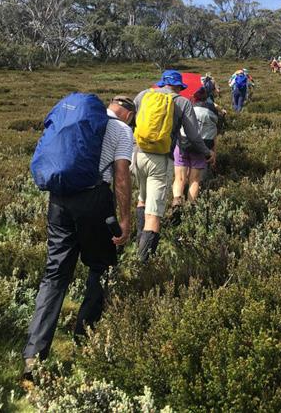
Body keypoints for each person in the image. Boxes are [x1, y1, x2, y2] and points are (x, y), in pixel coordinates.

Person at [23, 95, 135, 379]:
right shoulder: (122, 130)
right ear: (128, 114)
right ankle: (83, 340)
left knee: (55, 274)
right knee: (101, 267)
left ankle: (33, 355)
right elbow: (121, 176)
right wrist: (125, 218)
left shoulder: (74, 122)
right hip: (94, 199)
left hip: (59, 200)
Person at [133, 70, 215, 261]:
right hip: (160, 159)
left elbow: (132, 121)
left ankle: (136, 244)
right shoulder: (182, 102)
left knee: (142, 199)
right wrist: (207, 152)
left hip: (138, 154)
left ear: (162, 83)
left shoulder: (143, 95)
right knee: (154, 214)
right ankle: (142, 264)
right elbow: (193, 135)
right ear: (179, 86)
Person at [172, 87, 218, 203]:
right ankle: (190, 205)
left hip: (182, 144)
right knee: (195, 179)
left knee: (179, 178)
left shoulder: (186, 106)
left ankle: (177, 201)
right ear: (206, 97)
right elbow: (214, 133)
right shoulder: (212, 110)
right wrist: (213, 151)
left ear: (194, 96)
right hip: (201, 147)